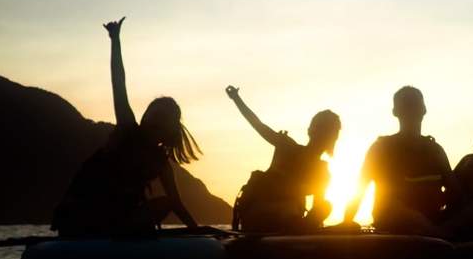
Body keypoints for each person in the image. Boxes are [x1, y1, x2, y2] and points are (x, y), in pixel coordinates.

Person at [51, 17, 204, 237]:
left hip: (117, 220)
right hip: (83, 215)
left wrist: (200, 235)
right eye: (152, 113)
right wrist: (115, 40)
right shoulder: (127, 130)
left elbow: (176, 204)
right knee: (155, 206)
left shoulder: (160, 162)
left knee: (166, 202)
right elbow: (119, 82)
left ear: (170, 128)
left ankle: (129, 233)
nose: (153, 119)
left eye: (161, 117)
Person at [341, 86, 457, 236]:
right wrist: (346, 222)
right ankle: (437, 233)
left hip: (434, 219)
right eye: (407, 105)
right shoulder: (380, 149)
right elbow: (360, 189)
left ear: (424, 110)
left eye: (415, 104)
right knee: (393, 207)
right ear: (396, 112)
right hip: (393, 221)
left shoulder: (436, 151)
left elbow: (456, 192)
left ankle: (439, 233)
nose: (412, 110)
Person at [226, 85, 340, 233]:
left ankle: (297, 228)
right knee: (293, 209)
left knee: (325, 206)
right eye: (322, 129)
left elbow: (318, 209)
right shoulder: (286, 145)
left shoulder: (323, 172)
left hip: (291, 222)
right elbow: (258, 125)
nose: (323, 136)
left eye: (328, 132)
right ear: (311, 130)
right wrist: (236, 98)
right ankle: (294, 226)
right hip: (259, 216)